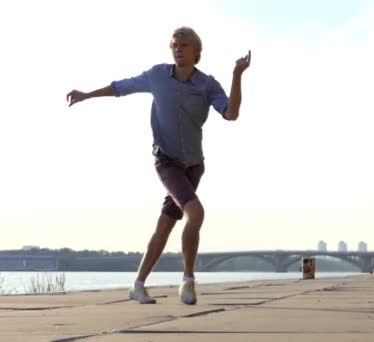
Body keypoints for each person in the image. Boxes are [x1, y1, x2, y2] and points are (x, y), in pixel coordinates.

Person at [66, 27, 251, 305]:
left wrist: (236, 76)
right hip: (167, 162)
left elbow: (231, 114)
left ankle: (138, 285)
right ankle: (188, 282)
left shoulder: (208, 85)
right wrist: (87, 94)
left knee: (165, 226)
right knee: (196, 213)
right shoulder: (157, 76)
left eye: (184, 45)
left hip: (194, 166)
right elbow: (121, 87)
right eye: (174, 45)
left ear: (196, 52)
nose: (178, 49)